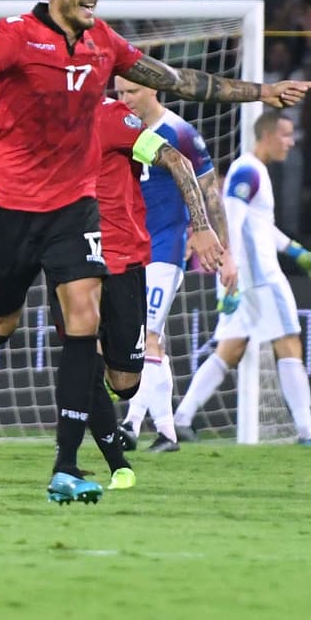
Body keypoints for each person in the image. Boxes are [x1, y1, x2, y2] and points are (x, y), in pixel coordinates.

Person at [0, 0, 311, 503]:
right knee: (0, 321)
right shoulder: (16, 33)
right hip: (11, 205)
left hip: (74, 207)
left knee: (82, 318)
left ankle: (66, 466)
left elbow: (176, 80)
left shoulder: (104, 43)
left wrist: (262, 91)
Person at [0, 84, 224, 490]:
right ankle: (78, 464)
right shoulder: (45, 118)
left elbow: (179, 163)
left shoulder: (117, 121)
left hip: (126, 261)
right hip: (73, 257)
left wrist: (201, 228)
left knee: (124, 382)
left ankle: (108, 436)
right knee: (83, 358)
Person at [172, 111, 311, 446]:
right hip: (259, 277)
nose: (291, 142)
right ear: (266, 135)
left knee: (230, 349)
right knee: (290, 342)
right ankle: (308, 432)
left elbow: (259, 225)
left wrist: (296, 251)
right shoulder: (249, 170)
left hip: (243, 275)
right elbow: (231, 221)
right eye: (286, 135)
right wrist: (229, 267)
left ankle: (181, 418)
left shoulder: (254, 171)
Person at [113, 80, 237, 453]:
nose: (125, 100)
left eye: (131, 91)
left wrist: (226, 251)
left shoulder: (180, 132)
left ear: (153, 89)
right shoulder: (119, 124)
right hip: (128, 249)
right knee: (152, 342)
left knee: (143, 337)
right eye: (119, 93)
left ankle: (130, 427)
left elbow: (209, 191)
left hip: (164, 252)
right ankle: (167, 433)